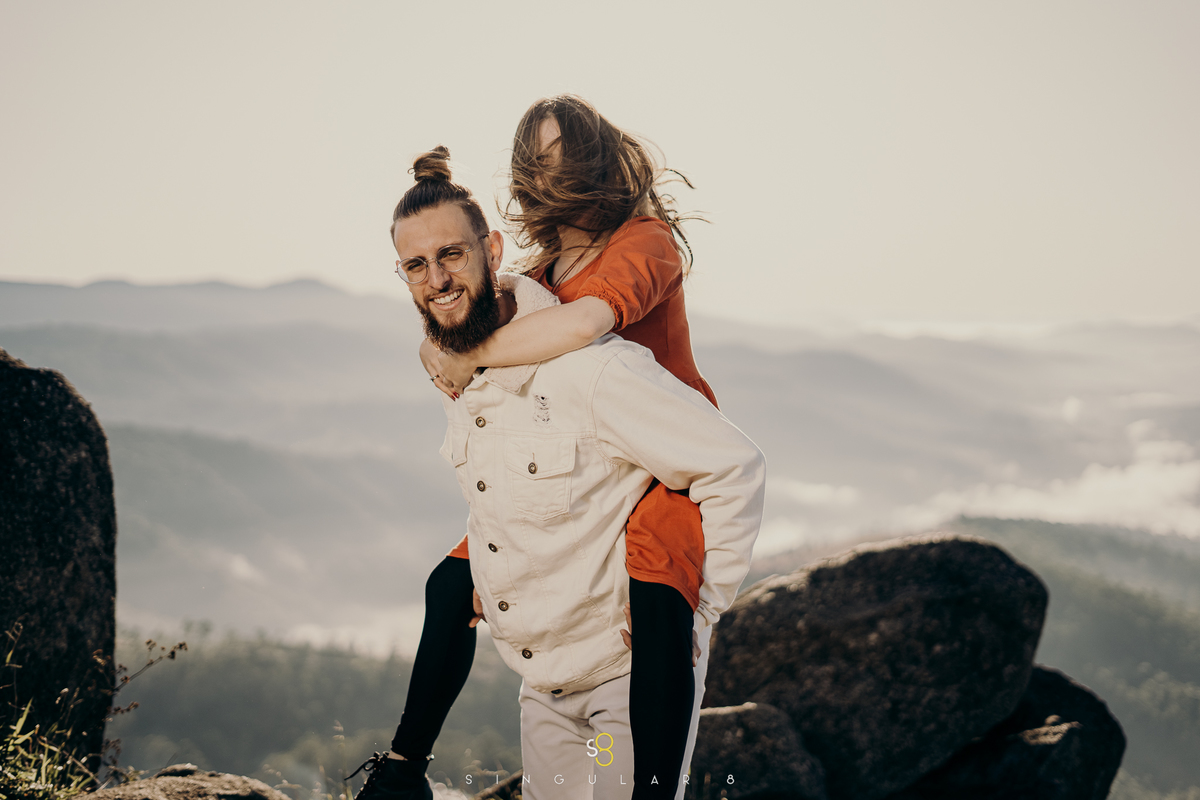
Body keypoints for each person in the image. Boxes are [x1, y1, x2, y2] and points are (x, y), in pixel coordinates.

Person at [355, 149, 764, 800]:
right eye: (416, 265)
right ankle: (405, 771)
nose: (437, 279)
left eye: (452, 255)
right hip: (543, 688)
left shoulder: (590, 369)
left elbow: (733, 464)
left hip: (623, 681)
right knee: (448, 583)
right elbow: (499, 494)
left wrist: (699, 609)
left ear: (491, 248)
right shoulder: (452, 365)